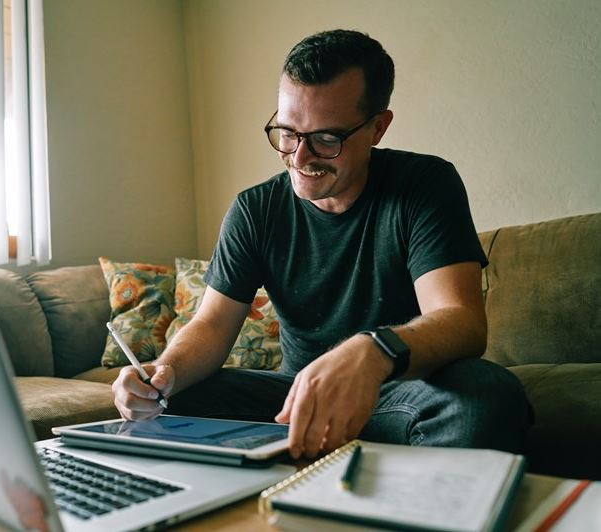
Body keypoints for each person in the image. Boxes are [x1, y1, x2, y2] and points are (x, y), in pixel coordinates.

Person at [112, 29, 531, 459]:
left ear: (377, 128)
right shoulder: (255, 209)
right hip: (293, 401)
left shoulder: (425, 185)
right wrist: (161, 376)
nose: (299, 157)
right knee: (170, 403)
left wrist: (375, 350)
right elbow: (213, 326)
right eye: (288, 132)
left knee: (487, 396)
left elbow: (461, 321)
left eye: (326, 139)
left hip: (402, 395)